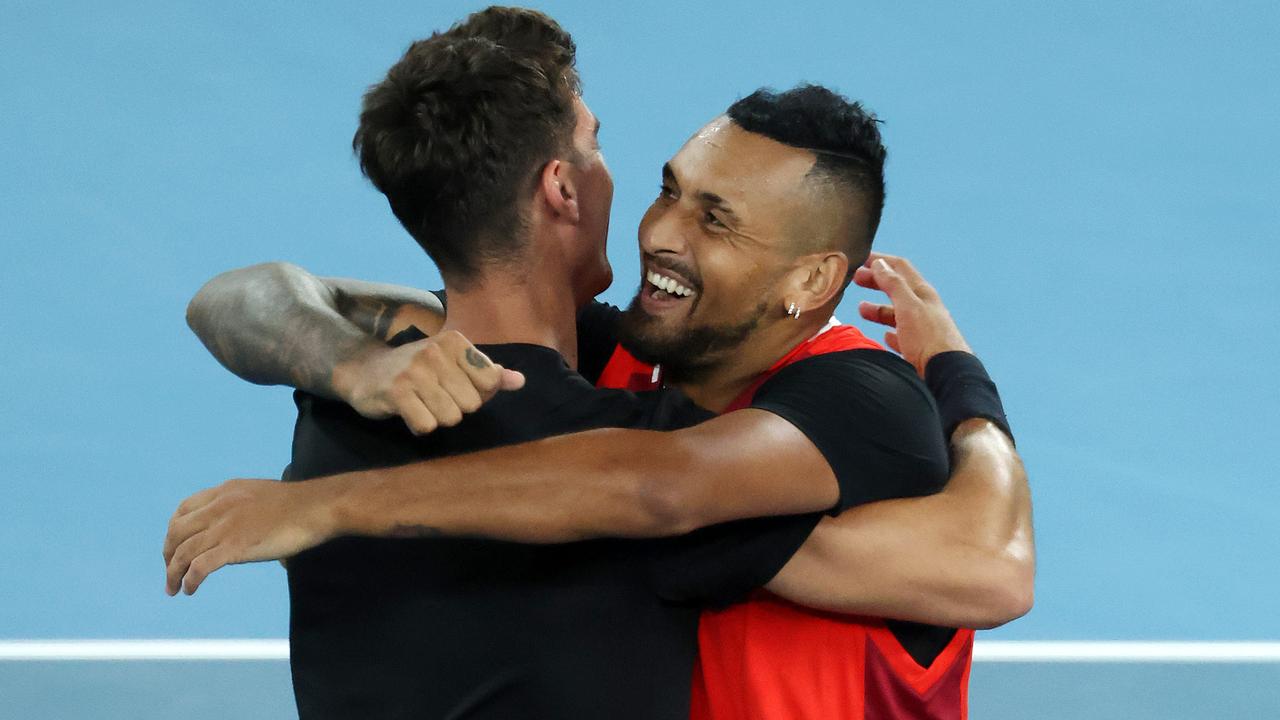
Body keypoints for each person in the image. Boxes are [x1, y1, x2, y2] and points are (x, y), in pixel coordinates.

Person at [166, 7, 1032, 719]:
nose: (661, 230)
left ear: (813, 276)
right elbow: (654, 486)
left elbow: (248, 298)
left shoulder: (362, 389)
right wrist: (959, 376)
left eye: (715, 218)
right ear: (561, 188)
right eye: (665, 187)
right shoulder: (616, 432)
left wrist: (345, 388)